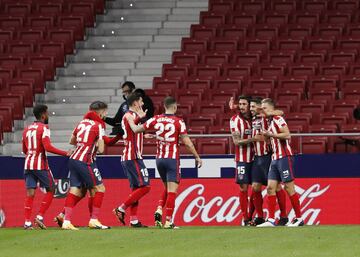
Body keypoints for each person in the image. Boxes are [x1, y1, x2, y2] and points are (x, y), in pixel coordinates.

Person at [129, 96, 203, 229]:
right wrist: (197, 156)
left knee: (167, 188)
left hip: (159, 160)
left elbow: (136, 129)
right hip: (172, 159)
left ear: (164, 106)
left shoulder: (156, 119)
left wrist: (133, 118)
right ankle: (168, 221)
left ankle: (159, 208)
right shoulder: (178, 121)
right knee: (172, 191)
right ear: (174, 107)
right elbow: (187, 142)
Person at [61, 101, 110, 230]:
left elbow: (72, 141)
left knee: (76, 189)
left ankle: (66, 221)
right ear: (100, 112)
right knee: (99, 189)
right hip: (86, 161)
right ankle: (94, 220)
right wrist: (99, 142)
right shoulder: (99, 125)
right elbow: (100, 149)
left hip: (74, 159)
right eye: (105, 112)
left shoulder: (81, 123)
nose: (106, 115)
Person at [22, 104, 72, 230]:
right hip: (40, 164)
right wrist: (65, 153)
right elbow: (47, 147)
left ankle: (27, 222)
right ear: (43, 114)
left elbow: (24, 149)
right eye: (47, 113)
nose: (48, 115)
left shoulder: (26, 129)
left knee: (30, 194)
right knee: (52, 189)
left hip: (28, 164)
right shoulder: (44, 128)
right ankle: (39, 216)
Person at [257, 98, 304, 227]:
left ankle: (299, 218)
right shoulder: (269, 122)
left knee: (289, 188)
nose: (263, 111)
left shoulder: (278, 119)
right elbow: (270, 141)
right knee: (271, 187)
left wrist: (271, 134)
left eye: (265, 108)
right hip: (275, 158)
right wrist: (266, 136)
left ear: (271, 109)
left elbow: (287, 135)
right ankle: (271, 219)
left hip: (284, 157)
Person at [113, 93, 151, 228]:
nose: (142, 104)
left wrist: (145, 135)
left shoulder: (133, 116)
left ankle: (134, 220)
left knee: (136, 189)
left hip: (132, 156)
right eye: (141, 101)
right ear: (135, 103)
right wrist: (141, 119)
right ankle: (121, 208)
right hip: (132, 156)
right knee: (145, 187)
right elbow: (134, 129)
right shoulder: (129, 115)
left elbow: (133, 132)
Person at [249, 98, 288, 226]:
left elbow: (280, 112)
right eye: (250, 107)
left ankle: (283, 215)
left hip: (267, 155)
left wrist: (264, 138)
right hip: (257, 157)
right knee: (255, 186)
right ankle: (260, 216)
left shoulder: (267, 117)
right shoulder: (253, 119)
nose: (251, 109)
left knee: (275, 187)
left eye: (253, 107)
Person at [230, 95, 254, 226]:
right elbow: (236, 141)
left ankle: (254, 217)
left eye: (245, 104)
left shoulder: (255, 118)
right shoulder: (234, 120)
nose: (242, 107)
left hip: (256, 158)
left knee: (256, 188)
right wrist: (254, 139)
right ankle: (245, 219)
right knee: (243, 188)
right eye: (240, 104)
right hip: (242, 159)